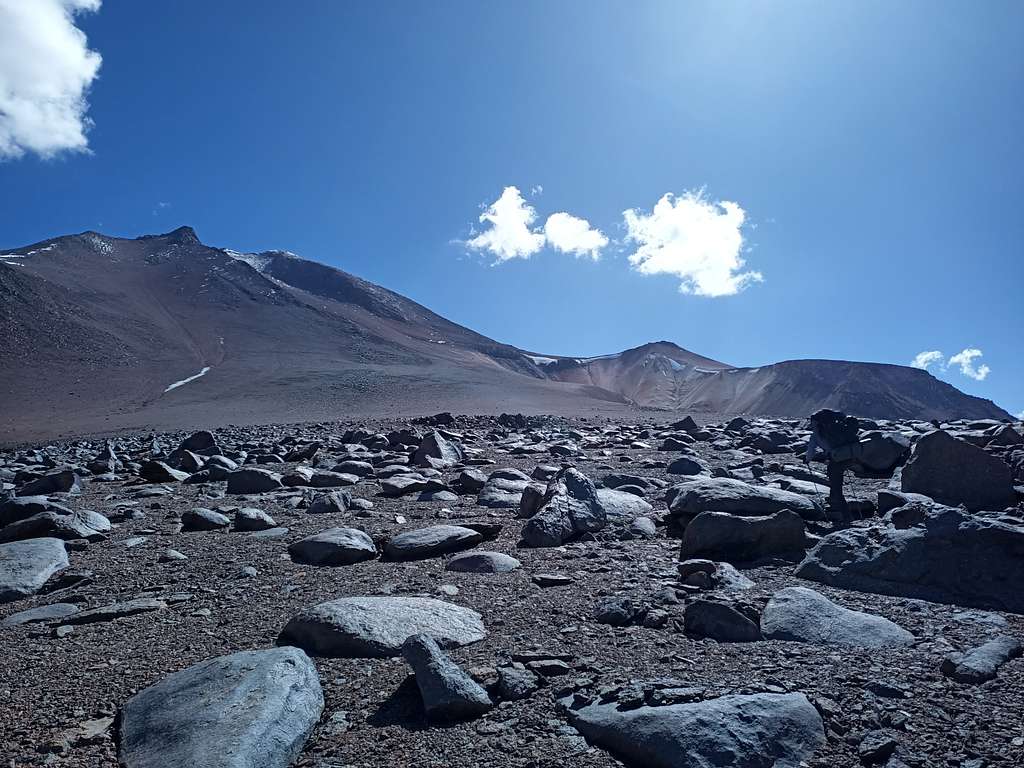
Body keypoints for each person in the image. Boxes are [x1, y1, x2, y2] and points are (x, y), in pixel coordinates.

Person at [804, 408, 863, 526]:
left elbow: (811, 451)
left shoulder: (817, 434)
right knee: (835, 481)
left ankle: (846, 516)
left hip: (836, 460)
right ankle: (833, 504)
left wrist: (807, 460)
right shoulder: (840, 427)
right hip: (849, 457)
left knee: (837, 488)